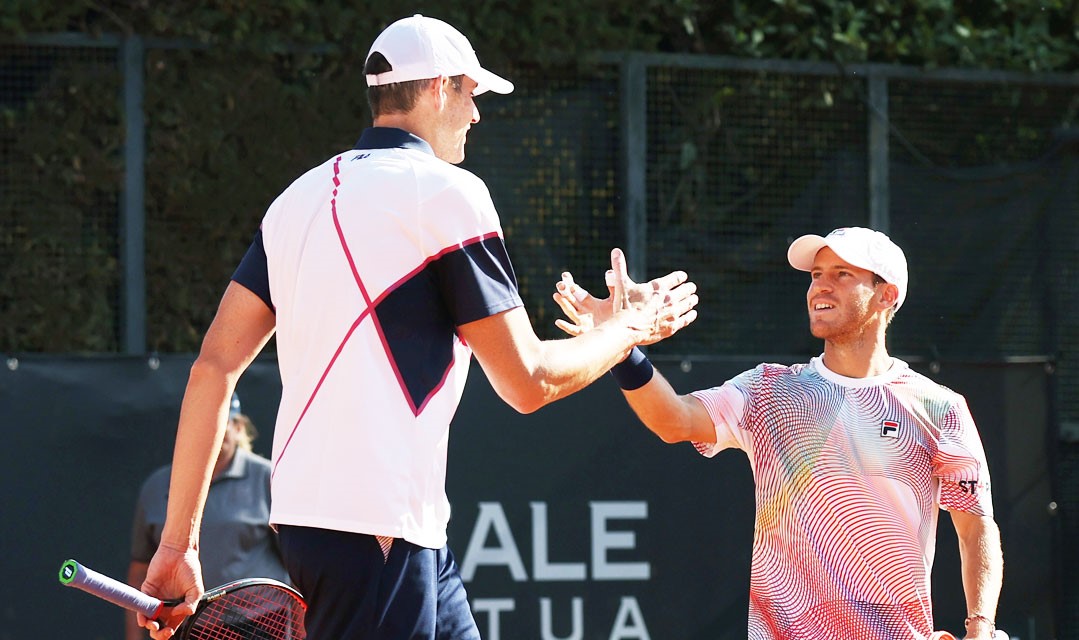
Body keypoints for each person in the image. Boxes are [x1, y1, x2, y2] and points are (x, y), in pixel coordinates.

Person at [135, 13, 698, 640]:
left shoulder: (295, 201)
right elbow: (529, 381)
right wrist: (630, 327)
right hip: (375, 530)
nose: (476, 114)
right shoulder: (448, 194)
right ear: (437, 88)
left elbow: (214, 366)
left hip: (367, 527)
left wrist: (177, 543)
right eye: (470, 93)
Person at [553, 227, 1004, 640]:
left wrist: (980, 627)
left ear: (886, 295)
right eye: (816, 274)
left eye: (842, 274)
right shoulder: (770, 391)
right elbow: (674, 419)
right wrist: (621, 346)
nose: (821, 286)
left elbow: (976, 527)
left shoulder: (940, 408)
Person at [125, 392, 289, 640]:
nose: (212, 430)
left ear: (239, 427)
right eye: (202, 423)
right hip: (185, 624)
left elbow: (297, 563)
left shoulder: (268, 478)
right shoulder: (156, 486)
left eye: (223, 421)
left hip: (262, 624)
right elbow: (140, 568)